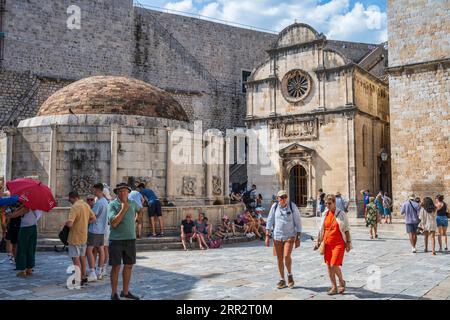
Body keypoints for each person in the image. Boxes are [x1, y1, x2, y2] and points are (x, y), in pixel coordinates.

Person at [108, 183, 141, 300]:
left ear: (128, 192)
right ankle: (113, 293)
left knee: (128, 266)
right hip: (116, 240)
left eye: (125, 191)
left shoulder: (133, 203)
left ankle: (125, 292)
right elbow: (114, 223)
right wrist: (123, 209)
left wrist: (136, 220)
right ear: (117, 193)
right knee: (116, 267)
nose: (123, 193)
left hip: (130, 239)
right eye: (120, 191)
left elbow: (140, 210)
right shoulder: (112, 204)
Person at [315, 194, 351, 295]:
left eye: (329, 203)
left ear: (334, 202)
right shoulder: (325, 213)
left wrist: (348, 243)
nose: (327, 205)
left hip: (339, 243)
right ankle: (334, 287)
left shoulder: (341, 214)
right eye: (326, 203)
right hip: (327, 243)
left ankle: (341, 281)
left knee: (334, 264)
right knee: (328, 266)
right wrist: (318, 241)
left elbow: (346, 229)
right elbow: (321, 229)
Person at [265, 190, 302, 289]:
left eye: (285, 197)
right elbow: (270, 220)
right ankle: (282, 279)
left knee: (286, 256)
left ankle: (289, 275)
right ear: (277, 198)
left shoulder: (292, 206)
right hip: (277, 236)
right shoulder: (275, 207)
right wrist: (267, 235)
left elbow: (298, 221)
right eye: (281, 197)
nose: (283, 199)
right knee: (279, 258)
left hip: (290, 236)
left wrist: (298, 237)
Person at [65, 191, 96, 287]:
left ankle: (78, 279)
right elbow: (94, 218)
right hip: (84, 236)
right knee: (82, 257)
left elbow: (70, 223)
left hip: (75, 237)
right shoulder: (86, 205)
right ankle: (83, 276)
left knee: (76, 258)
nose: (68, 200)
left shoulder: (74, 207)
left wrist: (65, 223)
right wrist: (85, 224)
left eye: (69, 198)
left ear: (73, 197)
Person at [10, 206, 42, 277]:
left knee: (22, 248)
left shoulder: (27, 207)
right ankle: (29, 269)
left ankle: (23, 270)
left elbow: (14, 215)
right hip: (33, 227)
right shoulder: (38, 207)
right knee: (31, 248)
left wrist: (9, 214)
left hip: (25, 228)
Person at [86, 183, 109, 281]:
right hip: (102, 230)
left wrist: (84, 222)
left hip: (94, 229)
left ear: (98, 190)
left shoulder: (99, 203)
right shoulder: (105, 201)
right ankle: (100, 271)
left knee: (89, 250)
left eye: (94, 190)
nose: (92, 191)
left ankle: (92, 272)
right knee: (101, 249)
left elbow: (93, 217)